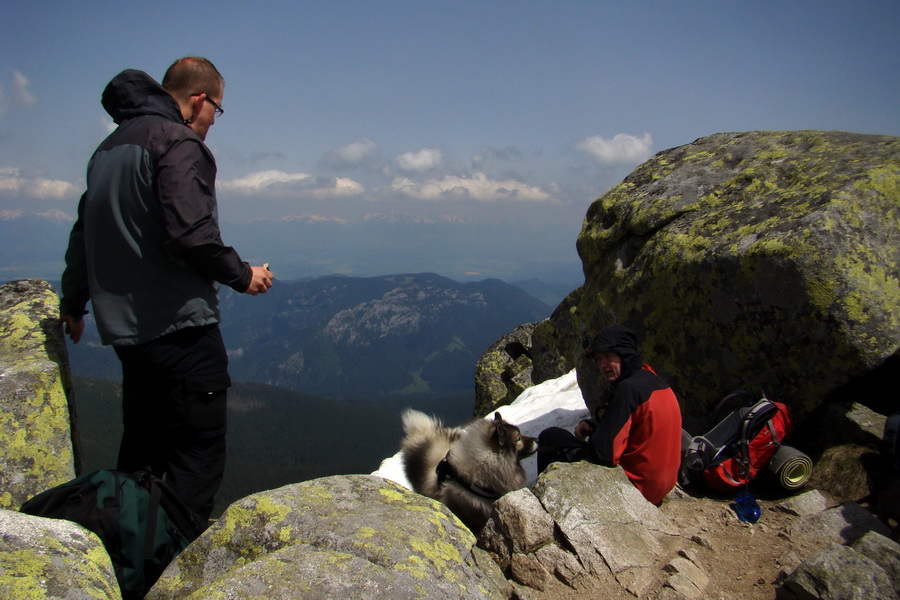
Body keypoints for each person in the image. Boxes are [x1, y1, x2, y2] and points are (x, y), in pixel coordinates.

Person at [59, 57, 272, 521]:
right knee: (195, 463)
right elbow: (191, 234)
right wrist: (243, 274)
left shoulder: (108, 149)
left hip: (130, 340)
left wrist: (73, 302)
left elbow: (84, 232)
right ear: (199, 101)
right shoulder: (177, 142)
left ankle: (128, 553)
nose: (215, 120)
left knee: (141, 459)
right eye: (217, 108)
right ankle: (174, 572)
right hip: (181, 330)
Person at [537, 325, 682, 504]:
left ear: (624, 354)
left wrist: (598, 436)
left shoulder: (627, 391)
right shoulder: (654, 380)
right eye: (598, 359)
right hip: (661, 486)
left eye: (607, 357)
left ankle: (544, 504)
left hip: (637, 491)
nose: (602, 365)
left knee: (551, 437)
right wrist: (595, 426)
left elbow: (605, 454)